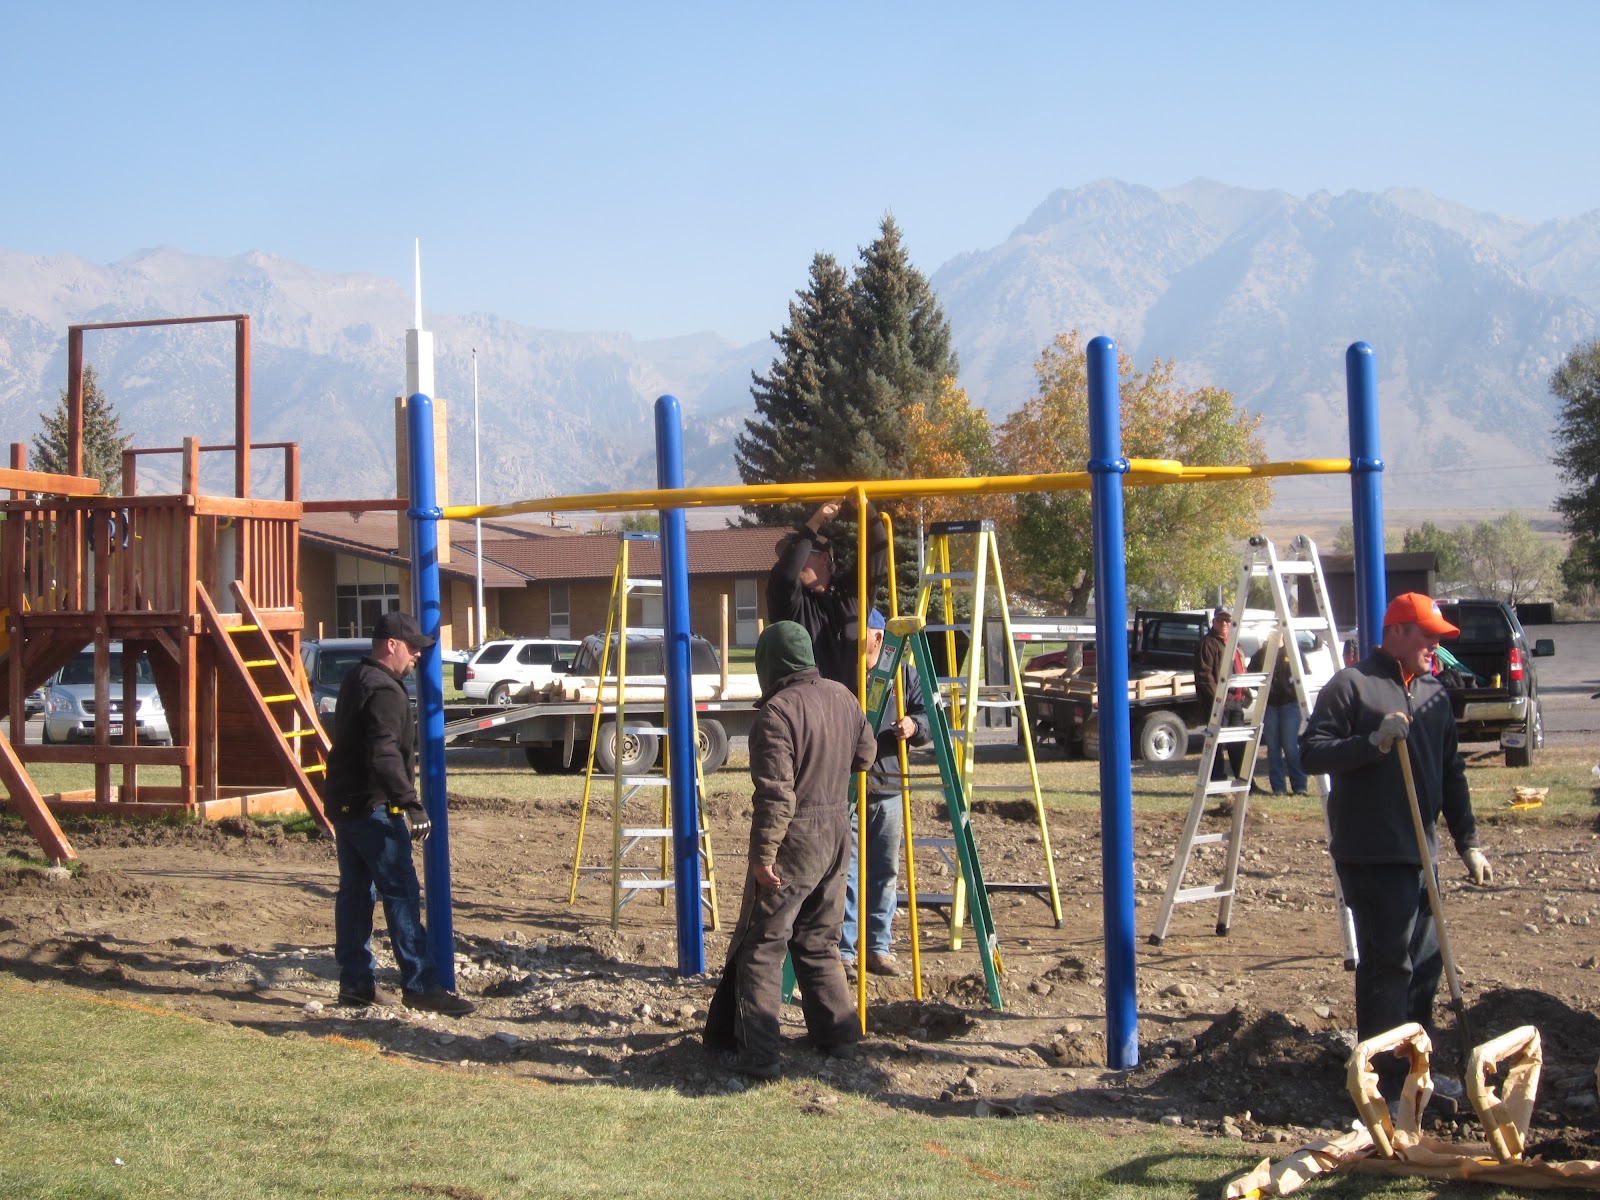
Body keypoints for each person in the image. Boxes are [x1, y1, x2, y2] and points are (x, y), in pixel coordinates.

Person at [1301, 593, 1491, 1097]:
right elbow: (1310, 752)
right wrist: (1373, 744)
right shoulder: (1353, 687)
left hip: (1420, 853)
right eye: (1428, 636)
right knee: (1389, 965)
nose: (1436, 645)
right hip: (1372, 852)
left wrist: (1467, 841)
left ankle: (1417, 1073)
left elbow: (1452, 774)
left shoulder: (1432, 694)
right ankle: (1382, 1080)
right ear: (1399, 632)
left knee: (1426, 965)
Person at [703, 621, 877, 1079]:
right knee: (820, 941)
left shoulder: (776, 713)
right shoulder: (843, 696)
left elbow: (777, 796)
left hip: (795, 841)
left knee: (762, 945)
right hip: (838, 834)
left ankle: (759, 1055)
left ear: (770, 663)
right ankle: (838, 1039)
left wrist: (763, 856)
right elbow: (865, 756)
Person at [324, 610, 474, 1016]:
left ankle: (355, 983)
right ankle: (420, 985)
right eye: (412, 649)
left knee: (354, 896)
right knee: (401, 895)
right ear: (391, 645)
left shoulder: (357, 678)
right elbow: (384, 751)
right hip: (374, 807)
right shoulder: (387, 691)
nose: (417, 658)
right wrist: (411, 803)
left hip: (346, 804)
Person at [840, 608, 930, 978]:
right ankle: (844, 951)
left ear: (878, 637)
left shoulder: (903, 676)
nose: (851, 640)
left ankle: (878, 947)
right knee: (846, 874)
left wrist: (914, 725)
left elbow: (928, 716)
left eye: (859, 633)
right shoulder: (844, 678)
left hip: (891, 787)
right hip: (848, 790)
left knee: (885, 872)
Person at [767, 495, 889, 694]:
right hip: (806, 711)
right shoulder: (791, 602)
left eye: (802, 554)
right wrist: (814, 522)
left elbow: (878, 548)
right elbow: (785, 574)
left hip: (848, 709)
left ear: (824, 559)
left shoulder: (851, 594)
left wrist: (865, 508)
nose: (791, 561)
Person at [1247, 639, 1309, 795]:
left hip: (1290, 704)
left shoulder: (1293, 651)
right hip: (1270, 706)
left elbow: (1305, 673)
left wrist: (1291, 688)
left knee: (1290, 746)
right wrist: (1263, 689)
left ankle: (1300, 786)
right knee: (1273, 748)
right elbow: (1251, 675)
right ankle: (1278, 788)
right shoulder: (1261, 654)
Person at [1194, 608, 1246, 783]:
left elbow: (1240, 667)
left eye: (1227, 621)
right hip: (1219, 704)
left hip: (1237, 701)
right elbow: (1204, 675)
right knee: (1216, 743)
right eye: (1220, 620)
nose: (1224, 624)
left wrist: (1245, 691)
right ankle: (1216, 780)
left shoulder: (1234, 643)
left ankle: (1245, 780)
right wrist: (1219, 698)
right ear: (1214, 622)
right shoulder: (1208, 643)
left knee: (1239, 743)